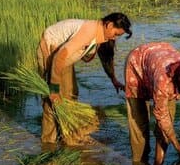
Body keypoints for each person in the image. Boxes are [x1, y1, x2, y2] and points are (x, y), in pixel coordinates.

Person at [36, 12, 132, 144]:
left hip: (64, 57)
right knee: (52, 100)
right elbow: (59, 57)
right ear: (109, 25)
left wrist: (114, 80)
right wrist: (53, 89)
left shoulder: (102, 35)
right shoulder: (89, 31)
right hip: (51, 50)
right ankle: (49, 142)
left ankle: (66, 136)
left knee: (70, 95)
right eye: (116, 34)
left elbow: (106, 58)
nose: (115, 38)